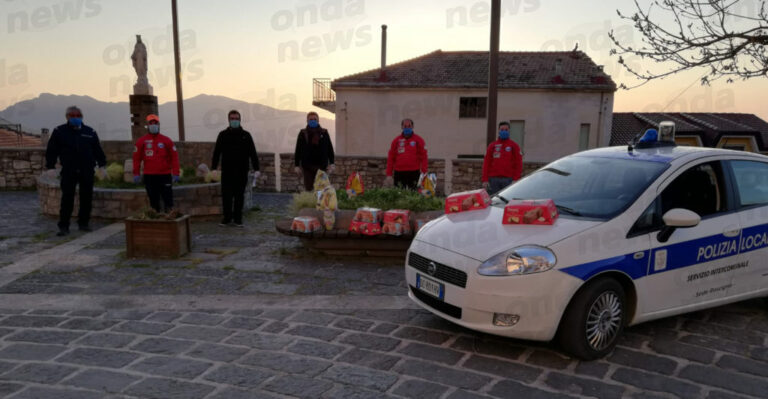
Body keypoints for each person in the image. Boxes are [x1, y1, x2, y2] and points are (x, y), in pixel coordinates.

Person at [44, 106, 107, 236]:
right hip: (69, 170)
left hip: (87, 170)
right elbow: (51, 150)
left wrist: (102, 166)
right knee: (67, 198)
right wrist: (50, 167)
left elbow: (97, 150)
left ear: (82, 116)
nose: (75, 118)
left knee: (86, 198)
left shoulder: (90, 132)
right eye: (72, 116)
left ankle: (83, 223)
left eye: (78, 115)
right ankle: (64, 226)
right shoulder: (59, 131)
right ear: (67, 117)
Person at [212, 110, 260, 227]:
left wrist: (256, 168)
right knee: (226, 196)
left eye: (236, 118)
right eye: (232, 118)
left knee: (239, 195)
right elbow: (217, 152)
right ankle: (227, 218)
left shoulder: (246, 135)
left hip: (242, 171)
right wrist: (213, 168)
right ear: (229, 120)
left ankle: (238, 219)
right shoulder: (222, 135)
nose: (234, 120)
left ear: (240, 120)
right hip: (227, 171)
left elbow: (252, 153)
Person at [132, 114, 180, 213]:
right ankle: (157, 224)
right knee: (154, 203)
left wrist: (176, 173)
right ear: (148, 126)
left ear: (159, 125)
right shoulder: (141, 141)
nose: (153, 125)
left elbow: (174, 157)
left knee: (168, 201)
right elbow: (136, 159)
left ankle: (170, 222)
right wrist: (136, 173)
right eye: (151, 123)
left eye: (155, 123)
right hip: (149, 176)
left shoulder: (166, 140)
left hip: (165, 176)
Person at [294, 111, 335, 191]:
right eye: (311, 119)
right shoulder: (303, 133)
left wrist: (332, 163)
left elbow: (329, 148)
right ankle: (310, 203)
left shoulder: (324, 132)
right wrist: (296, 165)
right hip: (307, 167)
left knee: (321, 189)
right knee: (309, 188)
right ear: (307, 121)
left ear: (318, 120)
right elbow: (298, 149)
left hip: (321, 166)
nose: (313, 121)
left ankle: (319, 203)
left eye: (315, 119)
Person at [385, 118, 428, 189]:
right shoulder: (396, 141)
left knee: (414, 194)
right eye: (405, 126)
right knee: (399, 194)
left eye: (409, 126)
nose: (407, 128)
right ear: (402, 127)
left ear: (412, 127)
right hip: (399, 173)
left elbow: (424, 157)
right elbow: (391, 158)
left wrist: (424, 172)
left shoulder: (419, 140)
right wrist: (389, 174)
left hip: (414, 172)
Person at [481, 121, 523, 194]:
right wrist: (485, 179)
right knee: (493, 201)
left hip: (509, 180)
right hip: (493, 180)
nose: (504, 131)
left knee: (506, 202)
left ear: (509, 131)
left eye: (506, 130)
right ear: (499, 130)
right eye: (502, 129)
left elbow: (518, 164)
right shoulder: (492, 146)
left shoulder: (514, 146)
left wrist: (516, 179)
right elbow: (486, 163)